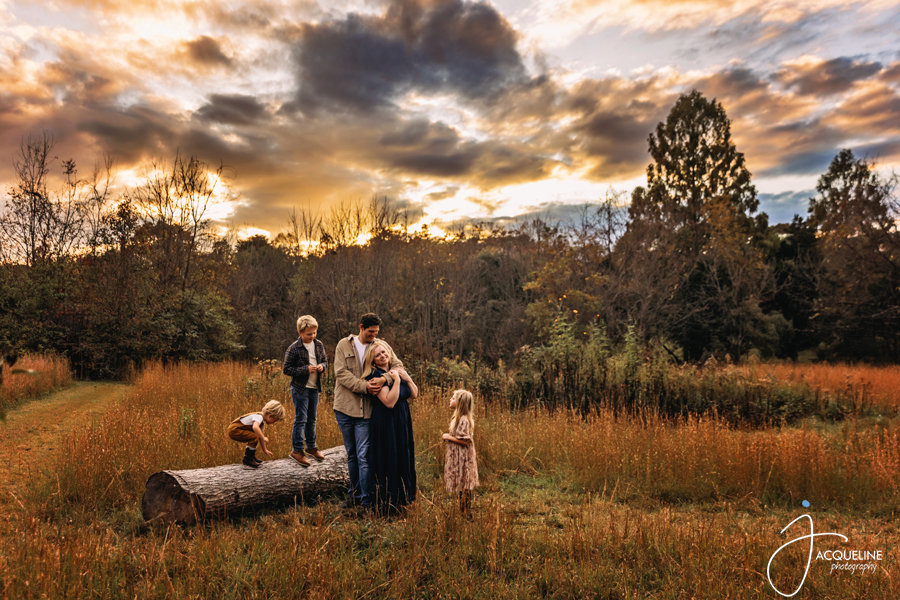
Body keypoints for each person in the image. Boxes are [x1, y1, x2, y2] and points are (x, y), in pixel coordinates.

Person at [333, 313, 402, 509]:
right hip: (345, 408)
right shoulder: (343, 345)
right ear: (361, 327)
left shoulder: (381, 345)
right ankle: (353, 496)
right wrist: (364, 387)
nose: (374, 336)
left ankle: (366, 501)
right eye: (371, 332)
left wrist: (384, 380)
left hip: (367, 412)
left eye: (376, 333)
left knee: (364, 456)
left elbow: (397, 366)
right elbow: (340, 373)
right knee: (352, 455)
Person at [363, 342, 418, 514]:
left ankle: (403, 499)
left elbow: (414, 393)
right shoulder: (375, 376)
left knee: (403, 454)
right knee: (389, 457)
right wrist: (397, 381)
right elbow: (389, 401)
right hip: (386, 422)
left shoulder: (397, 370)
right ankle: (387, 502)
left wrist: (406, 378)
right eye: (377, 355)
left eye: (383, 352)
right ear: (373, 361)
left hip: (402, 419)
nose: (382, 356)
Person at [282, 315, 327, 467]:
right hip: (300, 388)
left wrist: (322, 367)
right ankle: (297, 450)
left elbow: (325, 361)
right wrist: (305, 369)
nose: (312, 336)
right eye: (309, 334)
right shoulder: (294, 348)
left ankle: (311, 447)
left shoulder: (318, 344)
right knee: (301, 418)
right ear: (300, 333)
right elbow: (286, 369)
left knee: (312, 418)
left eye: (314, 333)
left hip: (314, 387)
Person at [442, 389, 479, 513]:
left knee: (465, 483)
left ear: (459, 402)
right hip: (459, 456)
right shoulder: (459, 418)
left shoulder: (464, 420)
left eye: (453, 398)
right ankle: (463, 511)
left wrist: (448, 437)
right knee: (462, 484)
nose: (450, 399)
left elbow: (465, 441)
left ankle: (466, 513)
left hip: (464, 457)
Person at [226, 400, 285, 468]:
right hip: (234, 430)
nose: (273, 423)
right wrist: (263, 437)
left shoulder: (261, 422)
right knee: (254, 437)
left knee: (255, 436)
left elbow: (260, 436)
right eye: (274, 420)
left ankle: (251, 456)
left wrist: (265, 450)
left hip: (237, 429)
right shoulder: (259, 417)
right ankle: (248, 459)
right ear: (270, 416)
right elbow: (255, 427)